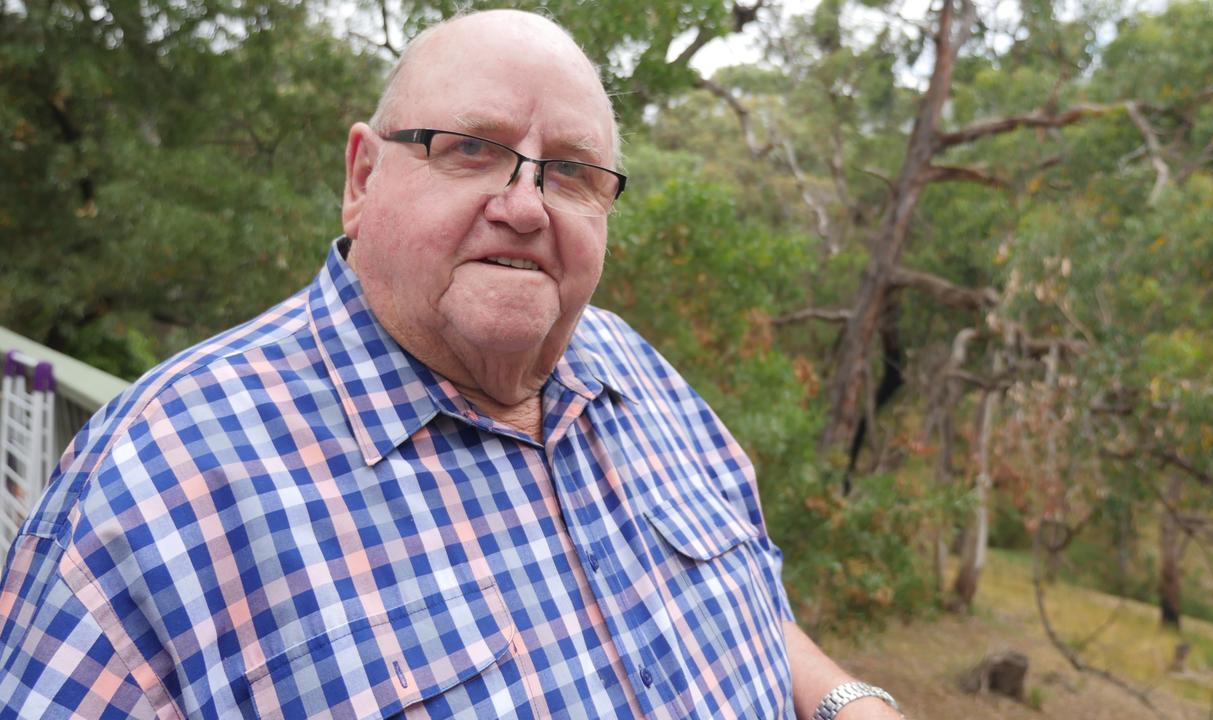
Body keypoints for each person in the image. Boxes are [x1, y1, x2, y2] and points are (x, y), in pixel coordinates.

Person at [0, 10, 901, 720]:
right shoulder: (160, 482)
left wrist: (846, 701)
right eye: (472, 149)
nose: (527, 205)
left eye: (576, 172)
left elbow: (738, 603)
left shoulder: (638, 372)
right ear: (362, 178)